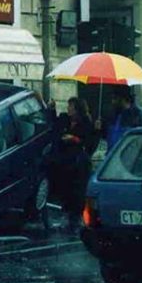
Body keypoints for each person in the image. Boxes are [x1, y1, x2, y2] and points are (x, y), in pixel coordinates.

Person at [55, 97, 98, 234]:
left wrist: (75, 139)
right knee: (66, 190)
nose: (68, 109)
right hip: (66, 162)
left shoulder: (86, 122)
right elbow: (55, 128)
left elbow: (90, 144)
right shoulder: (65, 120)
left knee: (78, 191)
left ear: (77, 108)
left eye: (71, 106)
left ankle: (77, 219)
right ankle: (67, 216)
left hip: (80, 164)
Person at [96, 86, 142, 151]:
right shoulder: (113, 115)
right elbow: (108, 137)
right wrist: (99, 129)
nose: (112, 102)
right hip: (112, 157)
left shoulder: (139, 115)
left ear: (123, 99)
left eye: (115, 98)